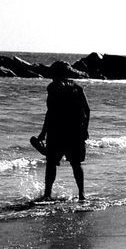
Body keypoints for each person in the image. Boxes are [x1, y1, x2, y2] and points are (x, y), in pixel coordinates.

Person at [36, 61, 90, 201]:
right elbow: (87, 110)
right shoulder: (77, 88)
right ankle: (82, 194)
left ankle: (47, 194)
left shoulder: (53, 88)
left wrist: (43, 133)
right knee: (76, 164)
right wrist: (85, 129)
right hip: (75, 131)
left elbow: (51, 112)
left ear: (55, 73)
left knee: (51, 164)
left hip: (57, 131)